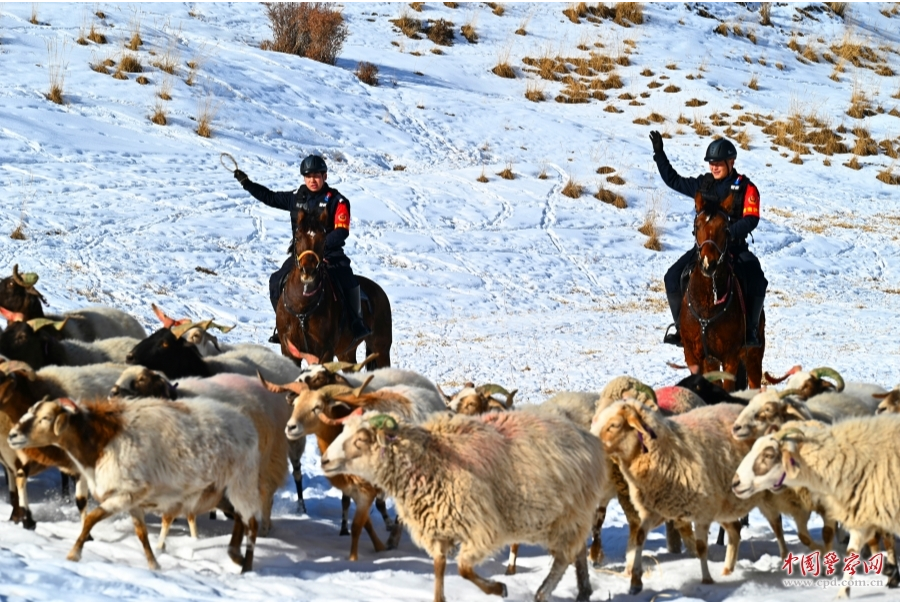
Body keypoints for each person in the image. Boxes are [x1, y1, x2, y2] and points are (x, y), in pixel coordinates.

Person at [233, 154, 372, 346]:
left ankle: (357, 323)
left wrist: (320, 249)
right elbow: (270, 197)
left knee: (348, 281)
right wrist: (247, 183)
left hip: (329, 254)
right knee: (276, 280)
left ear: (325, 176)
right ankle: (283, 326)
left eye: (316, 176)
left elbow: (341, 231)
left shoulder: (338, 201)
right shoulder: (296, 197)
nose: (312, 180)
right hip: (302, 256)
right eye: (308, 176)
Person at [649, 131, 767, 348]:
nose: (714, 167)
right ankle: (681, 328)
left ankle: (750, 330)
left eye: (719, 163)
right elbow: (673, 180)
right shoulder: (704, 184)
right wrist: (659, 154)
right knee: (672, 278)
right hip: (704, 250)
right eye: (711, 163)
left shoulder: (746, 188)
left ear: (731, 162)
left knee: (758, 280)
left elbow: (751, 219)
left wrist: (729, 232)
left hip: (734, 248)